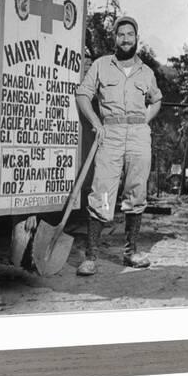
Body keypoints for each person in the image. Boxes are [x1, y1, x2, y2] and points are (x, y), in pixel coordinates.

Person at [75, 16, 162, 275]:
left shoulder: (146, 72)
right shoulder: (102, 65)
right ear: (115, 38)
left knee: (136, 193)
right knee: (102, 192)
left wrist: (145, 120)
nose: (125, 39)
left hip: (138, 136)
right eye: (121, 34)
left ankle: (131, 252)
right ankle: (91, 257)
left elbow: (156, 99)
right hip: (110, 133)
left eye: (130, 34)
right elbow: (83, 94)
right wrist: (96, 123)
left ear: (137, 38)